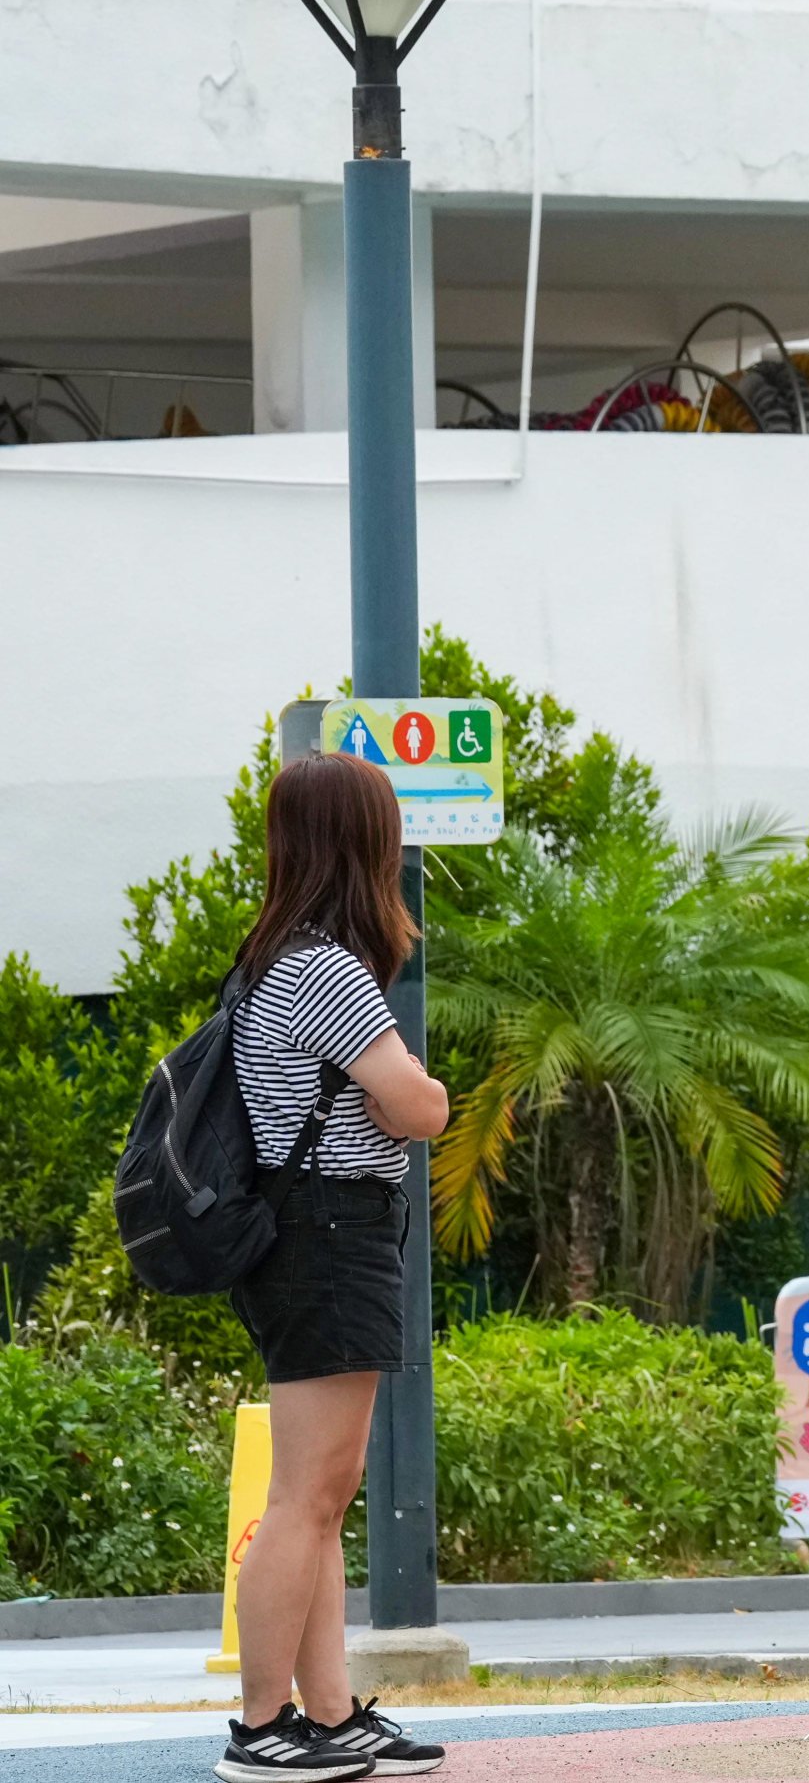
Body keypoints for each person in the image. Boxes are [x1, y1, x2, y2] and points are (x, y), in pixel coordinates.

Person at [216, 753, 454, 1781]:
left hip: (310, 1231)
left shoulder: (278, 955)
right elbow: (418, 1108)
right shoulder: (321, 967)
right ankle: (264, 1725)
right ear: (364, 844)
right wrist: (421, 1087)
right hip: (325, 1232)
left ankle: (329, 1715)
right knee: (306, 1496)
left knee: (319, 1490)